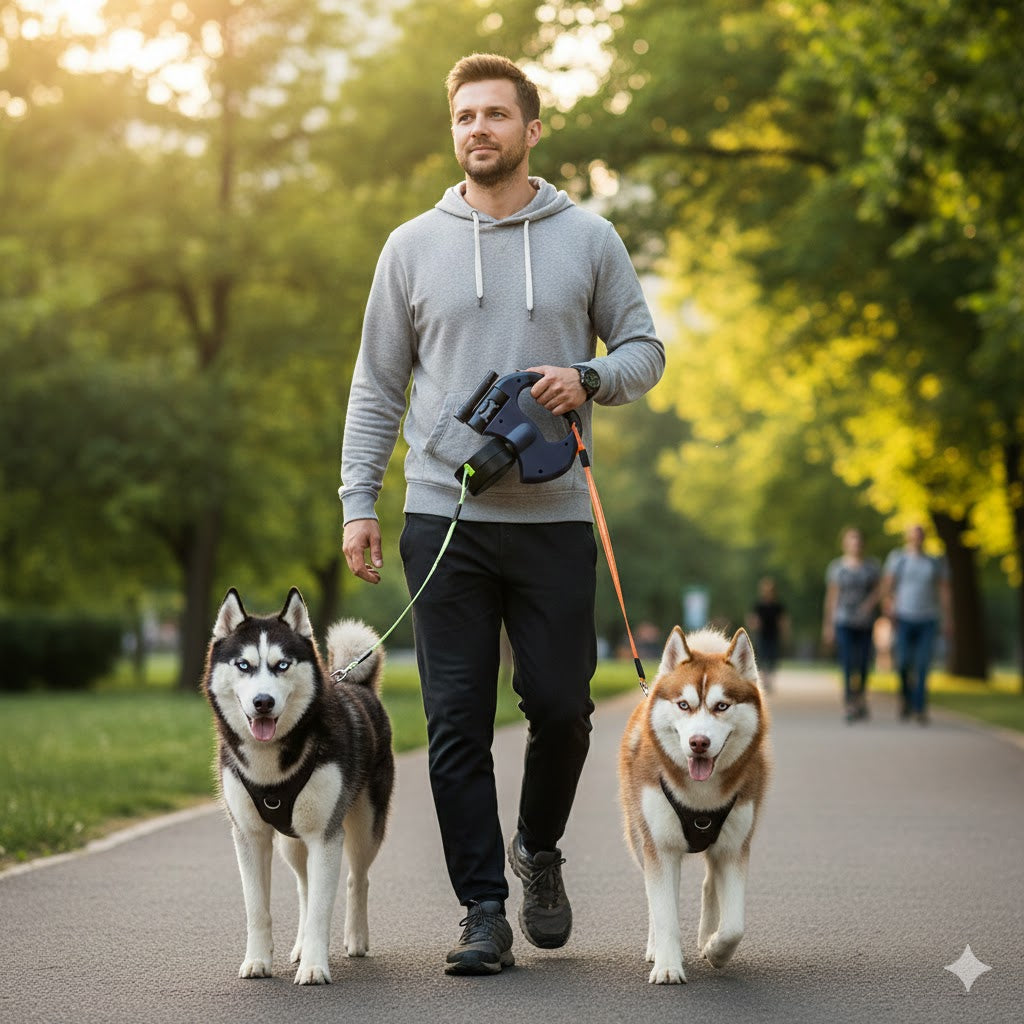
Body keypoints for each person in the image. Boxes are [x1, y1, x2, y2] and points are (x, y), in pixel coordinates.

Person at [339, 53, 664, 976]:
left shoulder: (588, 238)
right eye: (463, 117)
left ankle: (539, 852)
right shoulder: (410, 245)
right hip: (444, 517)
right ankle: (482, 909)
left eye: (494, 115)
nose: (476, 129)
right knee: (454, 723)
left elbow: (645, 348)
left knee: (562, 710)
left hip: (558, 518)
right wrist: (359, 499)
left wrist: (589, 376)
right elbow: (376, 384)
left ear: (531, 129)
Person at [881, 524, 951, 724]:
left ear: (924, 538)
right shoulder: (898, 559)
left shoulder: (935, 562)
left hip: (928, 618)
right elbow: (888, 587)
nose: (917, 539)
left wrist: (948, 618)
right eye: (914, 535)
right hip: (903, 617)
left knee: (922, 664)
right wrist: (888, 609)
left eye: (920, 536)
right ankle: (906, 699)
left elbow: (944, 591)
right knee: (903, 663)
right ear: (908, 538)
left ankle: (920, 708)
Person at [822, 527, 881, 722]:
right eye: (851, 540)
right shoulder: (837, 567)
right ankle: (849, 703)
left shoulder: (871, 567)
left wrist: (869, 604)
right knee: (847, 662)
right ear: (845, 544)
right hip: (844, 621)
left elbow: (879, 591)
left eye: (858, 540)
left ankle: (861, 698)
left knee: (863, 662)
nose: (855, 544)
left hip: (864, 622)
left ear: (862, 544)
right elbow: (832, 597)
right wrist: (828, 625)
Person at [747, 576, 788, 692]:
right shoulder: (758, 605)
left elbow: (783, 620)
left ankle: (770, 680)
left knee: (773, 658)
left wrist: (784, 632)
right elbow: (751, 619)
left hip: (774, 635)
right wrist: (754, 624)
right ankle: (765, 681)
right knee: (762, 657)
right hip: (762, 635)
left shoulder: (778, 606)